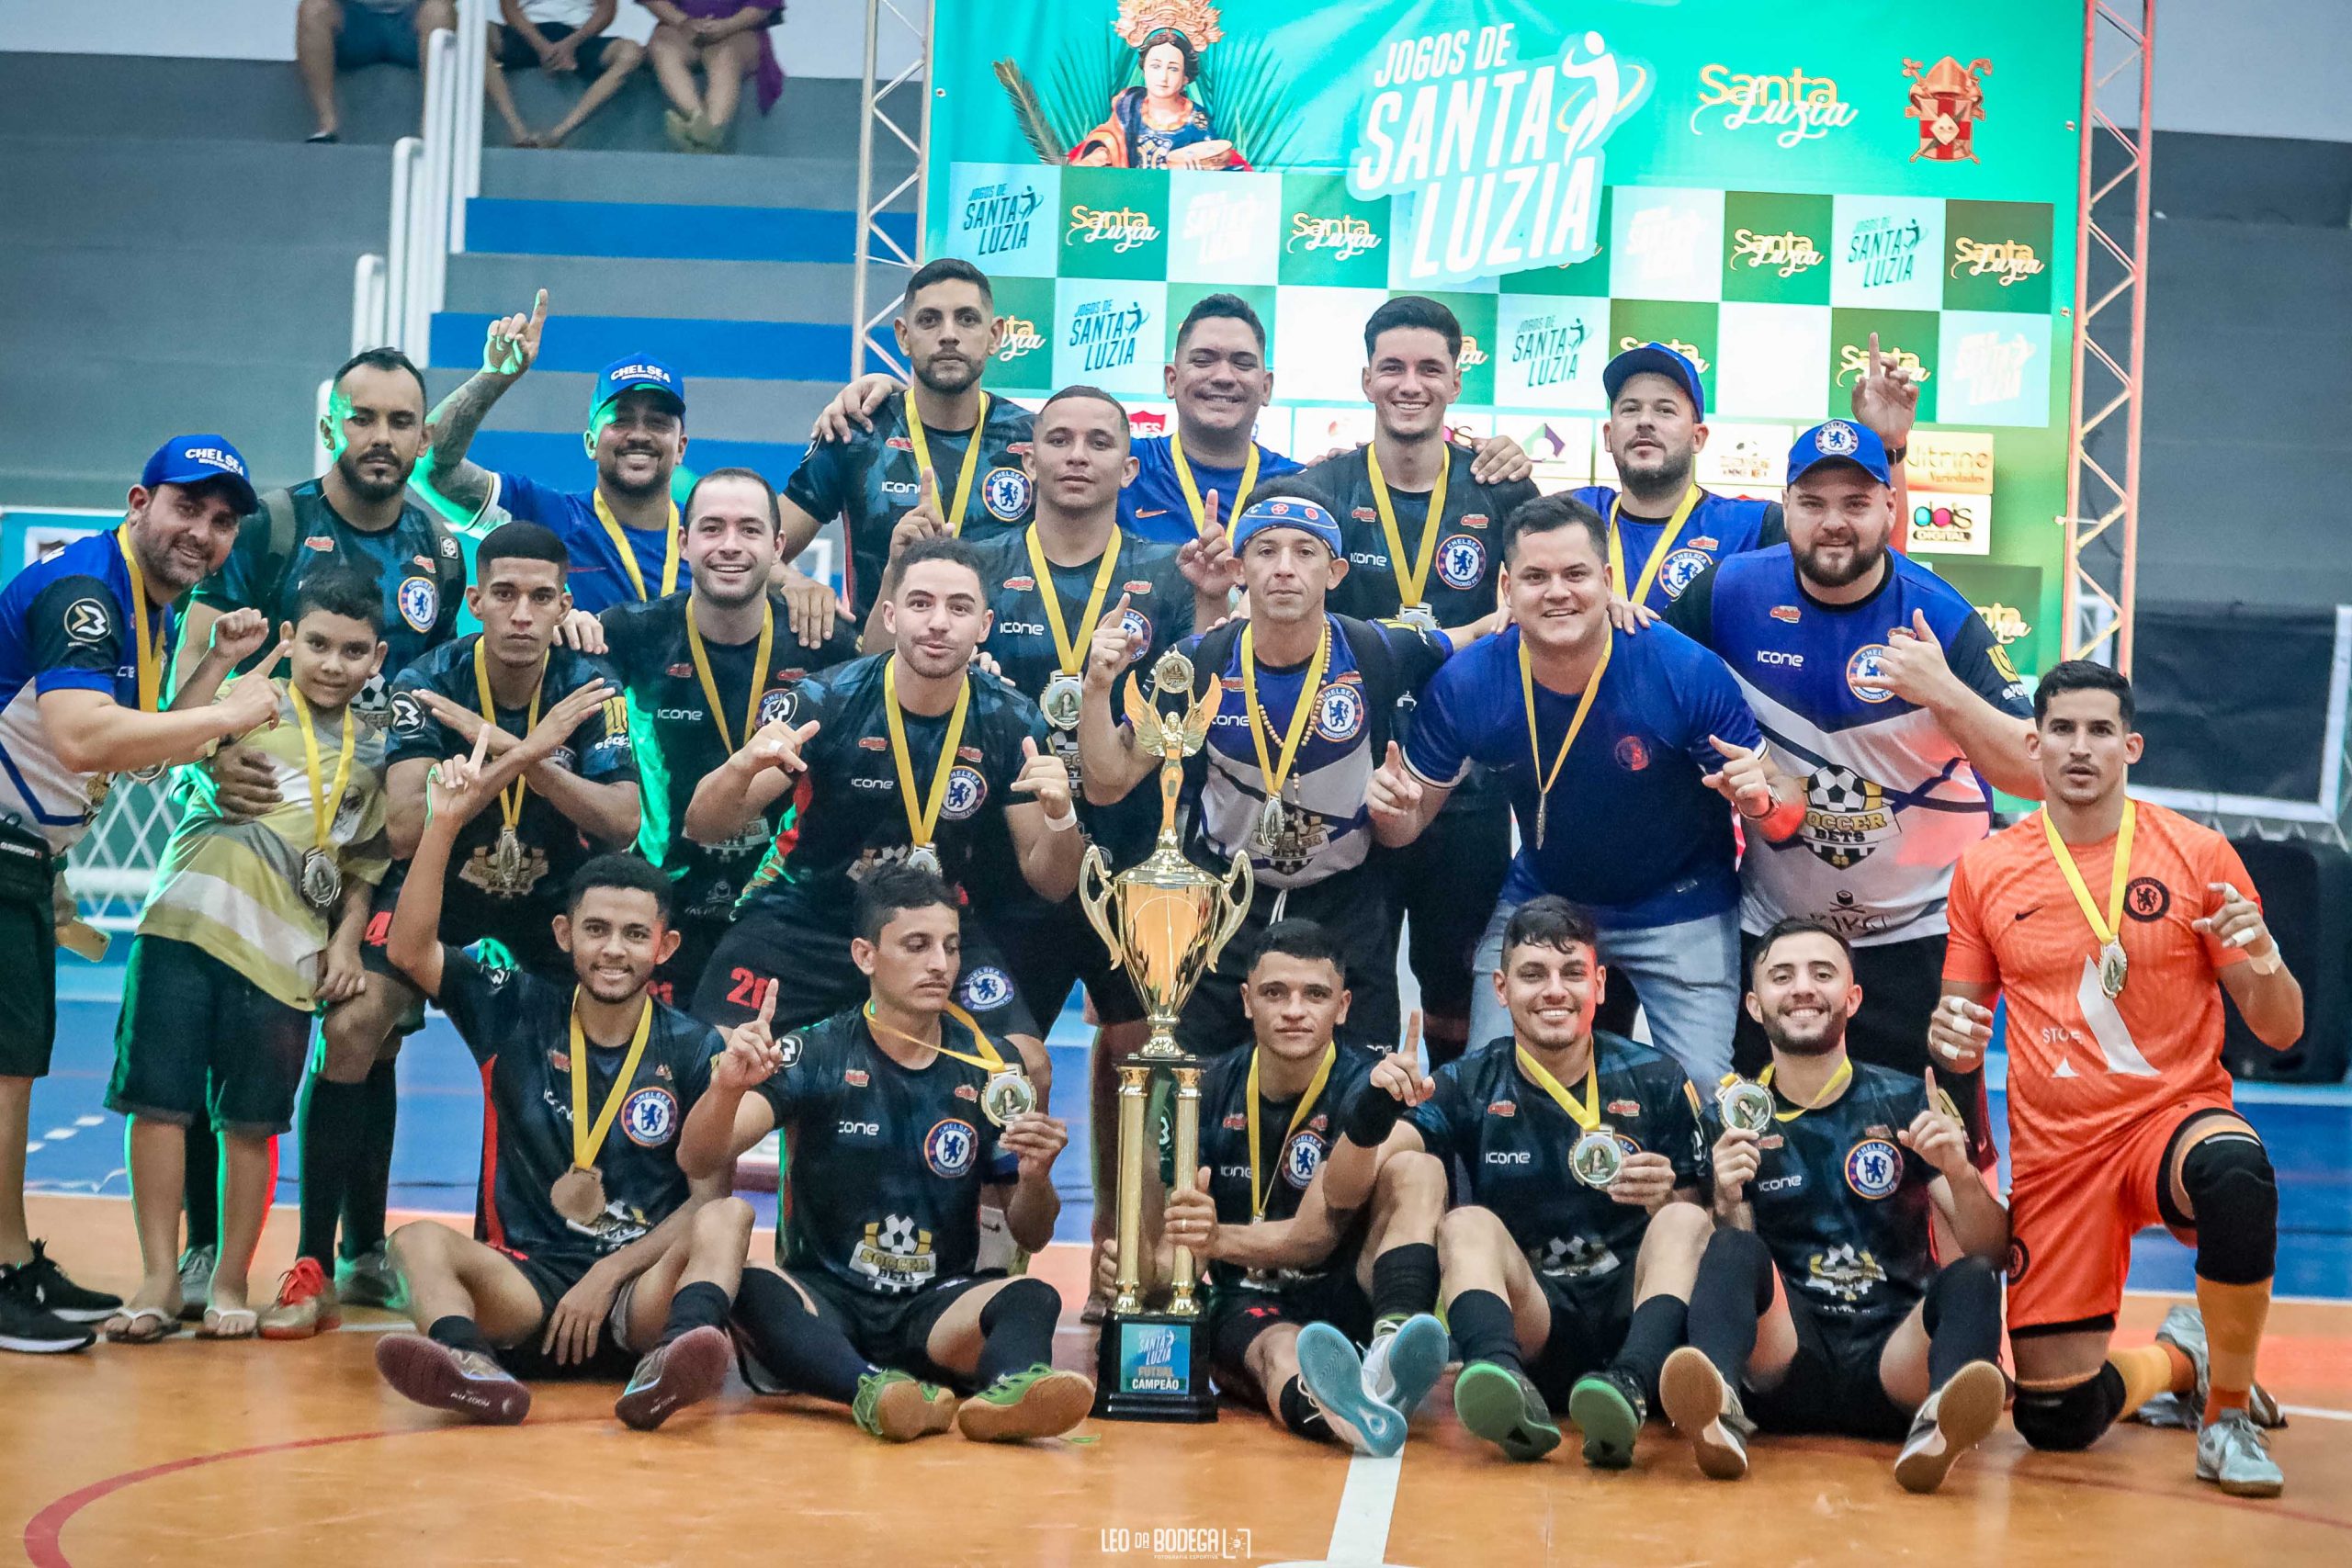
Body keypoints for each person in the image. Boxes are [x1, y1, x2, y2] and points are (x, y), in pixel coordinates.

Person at [1933, 660, 2301, 1496]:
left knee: (2235, 1170)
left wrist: (2268, 955)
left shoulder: (2198, 854)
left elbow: (2282, 1029)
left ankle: (2228, 1417)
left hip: (2170, 1119)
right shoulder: (1986, 869)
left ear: (2131, 744)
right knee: (2053, 1421)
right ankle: (2181, 1359)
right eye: (2061, 728)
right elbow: (1956, 1036)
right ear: (2033, 743)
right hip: (2060, 1156)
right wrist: (1947, 1033)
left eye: (2101, 730)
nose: (2080, 747)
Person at [170, 344, 469, 1316]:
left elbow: (436, 693)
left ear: (423, 435)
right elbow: (201, 663)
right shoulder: (271, 525)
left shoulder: (441, 552)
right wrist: (210, 752)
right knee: (230, 1038)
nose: (381, 438)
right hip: (262, 825)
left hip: (367, 847)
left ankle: (361, 1245)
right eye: (364, 418)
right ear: (333, 425)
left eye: (399, 421)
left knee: (367, 1032)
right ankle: (205, 1254)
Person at [1663, 418, 2033, 1166]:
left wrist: (1947, 694)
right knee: (1755, 1153)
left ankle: (1947, 1288)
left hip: (1920, 936)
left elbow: (2031, 772)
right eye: (1814, 501)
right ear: (1786, 505)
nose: (1834, 521)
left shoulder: (1941, 615)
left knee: (1942, 1159)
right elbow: (1653, 681)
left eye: (1857, 502)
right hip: (1781, 934)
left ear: (1891, 508)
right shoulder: (1732, 590)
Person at [302, 522, 639, 1323]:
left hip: (548, 905)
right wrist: (535, 750)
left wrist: (504, 750)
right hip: (437, 891)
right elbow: (411, 827)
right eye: (507, 595)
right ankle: (326, 1256)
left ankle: (528, 1248)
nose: (522, 612)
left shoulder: (595, 685)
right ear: (478, 600)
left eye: (542, 597)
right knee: (355, 1027)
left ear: (563, 605)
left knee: (566, 1053)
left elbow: (622, 818)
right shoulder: (427, 679)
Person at [0, 435, 281, 1354]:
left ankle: (12, 1260)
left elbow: (146, 748)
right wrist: (233, 711)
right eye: (186, 508)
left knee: (15, 1060)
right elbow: (83, 739)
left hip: (25, 859)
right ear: (137, 502)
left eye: (222, 519)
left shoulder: (151, 608)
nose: (202, 532)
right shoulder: (87, 594)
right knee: (4, 1068)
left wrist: (209, 676)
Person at [375, 754, 755, 1430]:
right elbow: (409, 951)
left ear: (665, 946)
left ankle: (671, 1359)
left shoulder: (697, 1047)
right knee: (416, 1242)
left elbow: (706, 1200)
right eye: (597, 930)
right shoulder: (512, 1007)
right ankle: (474, 1368)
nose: (615, 949)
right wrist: (442, 825)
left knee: (728, 1219)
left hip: (635, 1294)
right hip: (523, 1285)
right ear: (564, 935)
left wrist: (606, 1277)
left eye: (636, 934)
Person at [1370, 493, 1803, 1088]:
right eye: (1536, 576)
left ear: (1606, 579)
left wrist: (1765, 802)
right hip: (1547, 896)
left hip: (1682, 905)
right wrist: (1391, 810)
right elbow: (1405, 826)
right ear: (1505, 586)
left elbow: (1785, 814)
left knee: (1707, 1098)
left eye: (1575, 574)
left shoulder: (1681, 669)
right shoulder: (1471, 682)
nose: (1557, 592)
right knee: (1492, 1084)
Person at [958, 384, 1232, 1294]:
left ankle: (1131, 1271)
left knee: (1139, 1062)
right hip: (1008, 869)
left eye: (1100, 441)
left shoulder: (1167, 573)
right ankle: (986, 1264)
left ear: (1129, 465)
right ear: (1026, 460)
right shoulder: (978, 569)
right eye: (1058, 439)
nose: (1077, 454)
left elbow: (1189, 720)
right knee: (1001, 1060)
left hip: (1138, 870)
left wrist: (1203, 611)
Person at [677, 866, 1093, 1442]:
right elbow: (699, 1157)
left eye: (950, 947)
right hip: (826, 1302)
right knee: (749, 1289)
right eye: (916, 945)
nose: (940, 964)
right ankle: (871, 1389)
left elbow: (1031, 1233)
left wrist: (1036, 1179)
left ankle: (1011, 1394)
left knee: (1032, 1294)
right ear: (865, 955)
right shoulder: (814, 1051)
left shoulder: (995, 1069)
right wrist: (726, 1087)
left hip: (935, 1308)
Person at [683, 536, 1078, 1112]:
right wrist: (741, 766)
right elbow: (704, 825)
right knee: (712, 1063)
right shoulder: (827, 700)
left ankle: (993, 1206)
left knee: (1028, 1066)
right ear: (890, 615)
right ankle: (704, 1206)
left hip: (932, 930)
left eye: (959, 608)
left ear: (985, 624)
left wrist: (1062, 817)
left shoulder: (1010, 719)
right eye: (920, 604)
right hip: (809, 918)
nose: (938, 623)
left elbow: (1052, 882)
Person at [102, 570, 392, 1344]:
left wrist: (344, 939)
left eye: (353, 651)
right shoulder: (247, 697)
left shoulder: (379, 754)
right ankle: (159, 1277)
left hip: (286, 951)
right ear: (291, 640)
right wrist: (219, 663)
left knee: (252, 1121)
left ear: (377, 658)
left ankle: (230, 1278)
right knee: (159, 1105)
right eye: (319, 644)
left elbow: (364, 864)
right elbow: (158, 748)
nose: (333, 664)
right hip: (182, 924)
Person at [1075, 490, 1466, 1057]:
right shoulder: (1198, 661)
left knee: (1360, 1091)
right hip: (1226, 905)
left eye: (1305, 552)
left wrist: (1600, 605)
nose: (1285, 568)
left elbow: (1482, 633)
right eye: (1266, 551)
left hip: (1347, 903)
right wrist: (1095, 688)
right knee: (1200, 1090)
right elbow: (1109, 781)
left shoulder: (1376, 647)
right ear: (1238, 569)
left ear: (1335, 572)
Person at [1327, 897, 1713, 1469]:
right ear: (1502, 989)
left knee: (1687, 1218)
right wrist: (1371, 1111)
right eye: (1533, 975)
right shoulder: (1468, 1082)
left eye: (1572, 973)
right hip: (1536, 1320)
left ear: (1600, 985)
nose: (1554, 991)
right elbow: (1345, 1189)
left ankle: (1629, 1389)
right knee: (1465, 1224)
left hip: (1634, 1322)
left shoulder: (1656, 1077)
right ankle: (1502, 1383)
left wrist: (1665, 1199)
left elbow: (1705, 1220)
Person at [1659, 918, 2009, 1493]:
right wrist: (1726, 1198)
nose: (1802, 988)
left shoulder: (1906, 1100)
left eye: (1822, 974)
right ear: (1753, 1004)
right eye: (1782, 976)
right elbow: (1732, 1255)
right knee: (1729, 1244)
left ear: (1852, 998)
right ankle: (1717, 1408)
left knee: (1971, 1278)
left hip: (1895, 1358)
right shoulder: (1731, 1114)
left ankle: (1939, 1424)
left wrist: (1960, 1172)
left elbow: (1993, 1250)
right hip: (1786, 1356)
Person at [1289, 295, 1540, 1069]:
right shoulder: (1322, 488)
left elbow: (1544, 605)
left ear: (1456, 381)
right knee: (1346, 986)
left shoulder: (1498, 490)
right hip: (1345, 781)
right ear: (1365, 378)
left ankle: (1453, 1156)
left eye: (1430, 368)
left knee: (1454, 990)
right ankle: (1350, 1159)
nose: (1410, 383)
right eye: (1392, 367)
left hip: (1462, 787)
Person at [1133, 921, 1449, 1457]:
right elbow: (1169, 1266)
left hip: (1346, 1290)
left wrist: (1217, 1240)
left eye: (1315, 995)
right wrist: (1142, 1265)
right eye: (1275, 993)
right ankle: (1348, 1420)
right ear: (1246, 1001)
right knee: (1282, 1351)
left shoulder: (1378, 1089)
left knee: (1419, 1171)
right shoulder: (1198, 1093)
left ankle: (1389, 1352)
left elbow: (1316, 1235)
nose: (1294, 1010)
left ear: (1344, 1006)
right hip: (1248, 1302)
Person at [600, 468, 859, 1008]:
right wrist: (567, 626)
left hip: (782, 910)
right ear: (684, 542)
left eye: (749, 529)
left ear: (778, 546)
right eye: (712, 528)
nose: (730, 546)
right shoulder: (628, 634)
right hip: (659, 899)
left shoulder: (826, 645)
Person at [1576, 335, 1917, 618]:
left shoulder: (1751, 524)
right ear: (1608, 434)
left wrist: (1890, 445)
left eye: (1665, 410)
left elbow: (1878, 559)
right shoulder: (1572, 513)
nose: (1644, 421)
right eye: (1630, 408)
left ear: (1699, 437)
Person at [784, 260, 1038, 619]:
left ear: (995, 335)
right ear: (903, 336)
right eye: (929, 320)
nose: (948, 334)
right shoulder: (856, 433)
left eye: (966, 319)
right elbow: (763, 549)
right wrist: (794, 583)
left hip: (1005, 672)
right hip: (883, 667)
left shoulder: (1035, 441)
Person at [1119, 294, 1299, 545]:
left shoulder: (1298, 485)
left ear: (1266, 387)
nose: (1223, 377)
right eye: (1203, 360)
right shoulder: (1121, 466)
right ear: (1172, 380)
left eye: (1243, 363)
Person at [1070, 22, 1240, 169]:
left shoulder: (1196, 118)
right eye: (1155, 66)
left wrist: (1199, 165)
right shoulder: (1129, 104)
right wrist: (1101, 154)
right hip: (1129, 199)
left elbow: (1217, 155)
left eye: (1173, 69)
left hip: (1176, 197)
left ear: (1185, 78)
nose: (1163, 77)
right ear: (1144, 71)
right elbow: (1110, 138)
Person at [485, 0, 647, 150]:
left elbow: (606, 11)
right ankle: (517, 131)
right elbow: (509, 7)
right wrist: (541, 45)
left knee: (631, 53)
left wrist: (572, 43)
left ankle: (557, 135)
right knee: (477, 34)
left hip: (578, 36)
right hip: (527, 32)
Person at [294, 0, 459, 144]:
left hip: (412, 24)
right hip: (356, 24)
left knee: (440, 11)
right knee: (312, 9)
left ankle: (431, 126)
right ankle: (327, 124)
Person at [642, 0, 785, 153]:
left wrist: (728, 26)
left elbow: (764, 5)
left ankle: (712, 129)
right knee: (663, 47)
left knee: (725, 57)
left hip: (741, 32)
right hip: (680, 29)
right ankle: (701, 125)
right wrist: (682, 21)